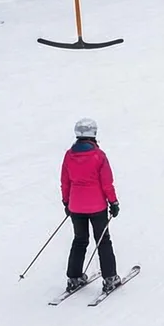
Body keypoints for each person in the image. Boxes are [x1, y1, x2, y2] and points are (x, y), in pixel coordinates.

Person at [62, 118, 121, 293]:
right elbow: (107, 183)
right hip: (97, 207)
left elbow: (65, 182)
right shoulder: (98, 156)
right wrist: (113, 202)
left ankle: (74, 277)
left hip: (76, 207)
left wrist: (66, 201)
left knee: (79, 240)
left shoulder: (69, 155)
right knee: (103, 240)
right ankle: (110, 278)